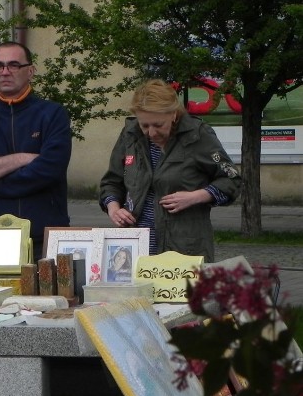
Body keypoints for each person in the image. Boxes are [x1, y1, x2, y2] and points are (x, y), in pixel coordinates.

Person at [98, 78, 242, 262]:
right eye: (145, 125)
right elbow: (111, 182)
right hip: (134, 248)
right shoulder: (130, 135)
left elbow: (232, 180)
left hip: (184, 247)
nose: (151, 133)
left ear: (174, 114)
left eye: (158, 125)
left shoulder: (198, 135)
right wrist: (113, 207)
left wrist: (196, 196)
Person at [0, 41, 72, 260]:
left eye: (14, 65)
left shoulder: (53, 115)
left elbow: (49, 169)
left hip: (45, 236)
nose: (5, 72)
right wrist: (20, 159)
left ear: (30, 71)